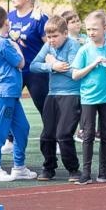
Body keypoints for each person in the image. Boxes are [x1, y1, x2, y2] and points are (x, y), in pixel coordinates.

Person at [71, 9, 106, 184]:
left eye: (95, 29)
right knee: (88, 135)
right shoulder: (85, 50)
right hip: (88, 99)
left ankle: (103, 172)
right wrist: (93, 64)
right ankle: (86, 173)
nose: (91, 33)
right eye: (88, 29)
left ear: (105, 28)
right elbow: (75, 74)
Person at [0, 6, 32, 181]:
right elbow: (20, 63)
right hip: (5, 91)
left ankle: (19, 166)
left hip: (9, 92)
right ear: (6, 23)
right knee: (0, 130)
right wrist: (16, 45)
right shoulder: (3, 43)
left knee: (22, 128)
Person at [30, 16, 81, 181]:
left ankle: (73, 169)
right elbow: (33, 66)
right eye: (49, 37)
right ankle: (49, 168)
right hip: (52, 94)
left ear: (65, 33)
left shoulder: (73, 45)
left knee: (64, 134)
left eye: (55, 36)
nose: (51, 40)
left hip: (71, 95)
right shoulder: (48, 46)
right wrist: (52, 65)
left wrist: (55, 62)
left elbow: (73, 71)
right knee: (47, 135)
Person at [8, 0, 50, 118]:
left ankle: (54, 136)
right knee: (9, 105)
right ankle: (9, 138)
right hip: (15, 70)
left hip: (35, 71)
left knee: (45, 107)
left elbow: (50, 44)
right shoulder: (9, 17)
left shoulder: (39, 18)